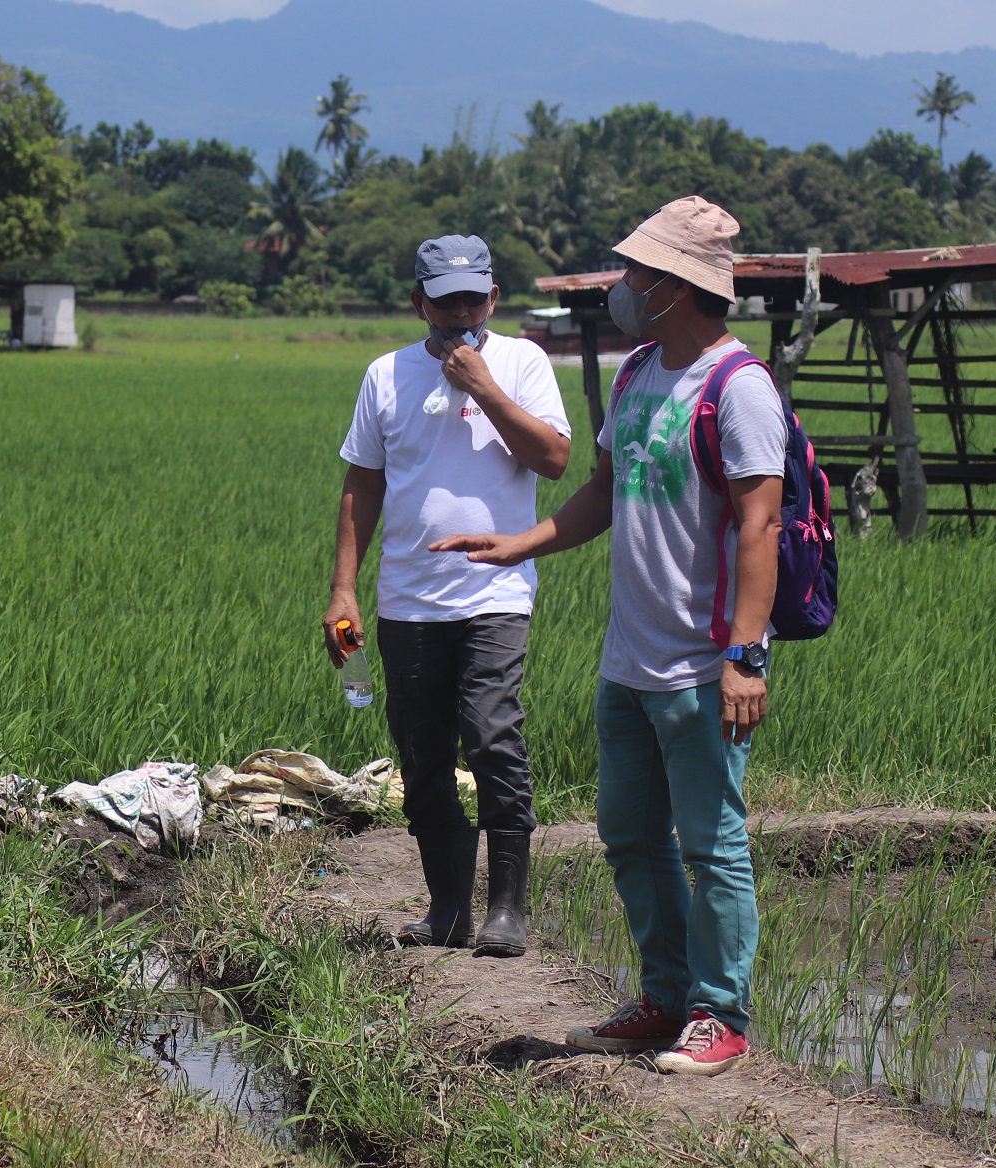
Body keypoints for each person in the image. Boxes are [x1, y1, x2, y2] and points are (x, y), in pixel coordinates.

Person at [431, 197, 783, 1074]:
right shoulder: (635, 374)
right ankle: (664, 997)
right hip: (628, 661)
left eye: (638, 273)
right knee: (628, 832)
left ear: (677, 286)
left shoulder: (737, 386)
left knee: (712, 841)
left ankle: (721, 1014)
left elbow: (761, 525)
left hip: (704, 664)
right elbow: (602, 488)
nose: (625, 286)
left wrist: (745, 655)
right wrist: (526, 540)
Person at [324, 234, 572, 955]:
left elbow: (554, 460)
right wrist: (344, 587)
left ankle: (507, 909)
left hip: (496, 592)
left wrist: (484, 388)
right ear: (418, 302)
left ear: (494, 299)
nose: (460, 312)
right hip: (407, 599)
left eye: (474, 298)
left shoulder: (522, 362)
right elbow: (362, 482)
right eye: (445, 300)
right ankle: (447, 905)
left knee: (494, 734)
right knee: (421, 755)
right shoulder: (386, 374)